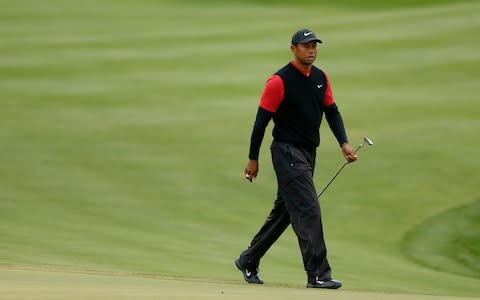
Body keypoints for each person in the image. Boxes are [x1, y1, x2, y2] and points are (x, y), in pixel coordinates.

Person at [234, 28, 358, 289]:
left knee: (286, 212)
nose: (311, 50)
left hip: (307, 153)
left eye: (314, 46)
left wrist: (344, 143)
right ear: (293, 49)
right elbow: (261, 123)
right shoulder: (279, 81)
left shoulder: (321, 78)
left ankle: (248, 258)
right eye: (305, 46)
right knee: (308, 208)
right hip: (286, 152)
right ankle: (318, 274)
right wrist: (252, 159)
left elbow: (332, 112)